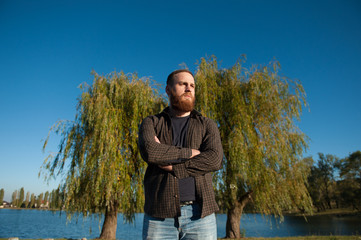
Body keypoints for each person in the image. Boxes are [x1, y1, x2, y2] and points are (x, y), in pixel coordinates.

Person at [138, 69, 223, 240]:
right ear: (168, 90)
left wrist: (174, 166)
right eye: (182, 84)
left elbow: (214, 159)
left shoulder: (207, 125)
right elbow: (151, 152)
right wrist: (192, 153)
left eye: (192, 85)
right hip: (159, 216)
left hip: (200, 215)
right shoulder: (151, 122)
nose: (188, 88)